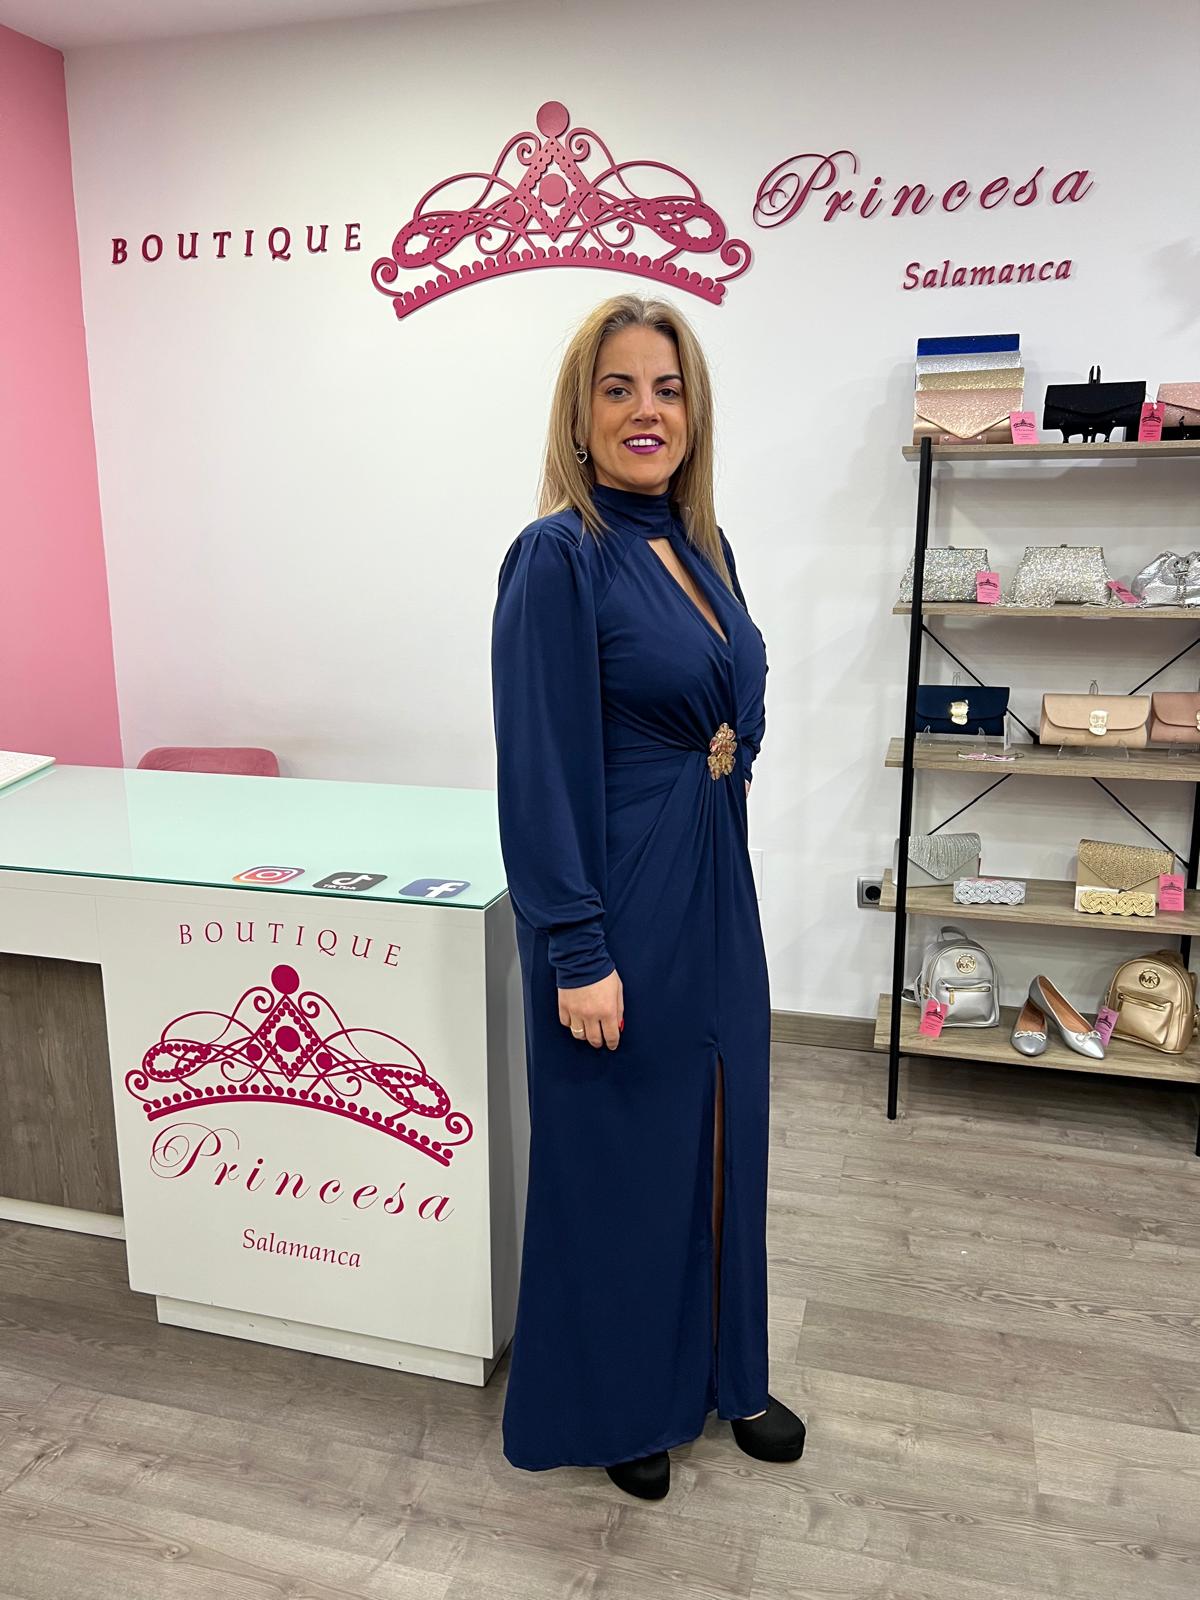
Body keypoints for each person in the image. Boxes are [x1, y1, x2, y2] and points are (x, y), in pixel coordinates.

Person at [490, 293, 804, 1500]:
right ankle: (624, 1400)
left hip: (714, 881)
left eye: (666, 389)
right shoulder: (558, 556)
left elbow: (733, 711)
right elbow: (538, 768)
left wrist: (723, 768)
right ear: (579, 412)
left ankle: (730, 1371)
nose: (645, 411)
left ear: (694, 410)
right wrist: (576, 947)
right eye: (617, 388)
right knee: (624, 1155)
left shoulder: (708, 545)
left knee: (721, 1130)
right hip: (619, 898)